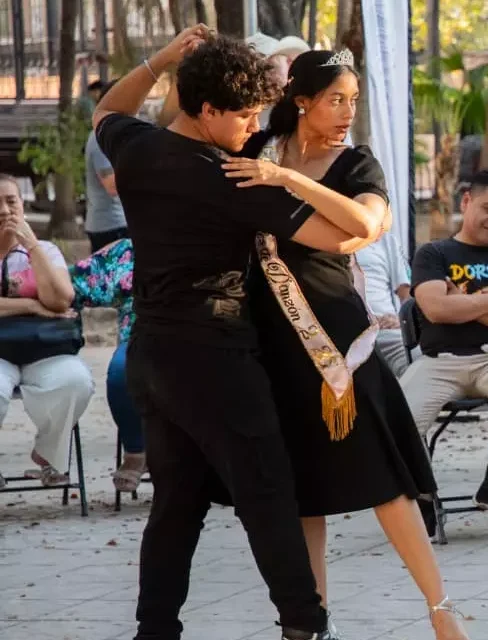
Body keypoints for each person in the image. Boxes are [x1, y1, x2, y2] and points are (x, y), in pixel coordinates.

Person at [91, 29, 383, 640]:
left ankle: (155, 630)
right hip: (216, 360)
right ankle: (306, 625)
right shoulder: (235, 178)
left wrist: (164, 59)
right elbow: (348, 237)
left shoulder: (138, 148)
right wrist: (292, 180)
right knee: (269, 495)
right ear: (205, 110)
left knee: (176, 506)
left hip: (152, 360)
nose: (252, 126)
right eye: (244, 114)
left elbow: (107, 111)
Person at [229, 49, 466, 640]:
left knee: (386, 480)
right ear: (301, 100)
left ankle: (442, 612)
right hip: (270, 341)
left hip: (335, 343)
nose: (346, 111)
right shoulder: (256, 150)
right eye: (336, 98)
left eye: (353, 100)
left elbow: (364, 226)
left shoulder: (355, 162)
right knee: (301, 494)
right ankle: (310, 626)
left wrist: (288, 180)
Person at [400, 169, 488, 512]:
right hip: (441, 362)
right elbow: (435, 309)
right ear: (466, 202)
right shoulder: (433, 254)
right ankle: (420, 493)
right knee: (398, 419)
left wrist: (461, 299)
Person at [0, 174, 94, 489]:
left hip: (44, 348)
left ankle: (49, 455)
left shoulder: (45, 250)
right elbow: (44, 306)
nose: (4, 210)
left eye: (11, 201)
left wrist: (30, 246)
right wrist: (30, 306)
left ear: (22, 206)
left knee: (76, 381)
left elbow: (60, 300)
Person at [68, 238, 142, 491]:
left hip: (210, 335)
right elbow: (70, 284)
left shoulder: (218, 240)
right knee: (121, 372)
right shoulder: (130, 249)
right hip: (142, 334)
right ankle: (137, 451)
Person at [355, 232, 412, 377]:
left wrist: (401, 320)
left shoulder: (386, 240)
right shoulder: (328, 239)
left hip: (386, 329)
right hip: (348, 327)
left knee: (414, 363)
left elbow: (406, 294)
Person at [84, 82, 129, 252]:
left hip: (119, 224)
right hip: (110, 227)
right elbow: (112, 186)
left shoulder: (113, 135)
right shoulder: (100, 138)